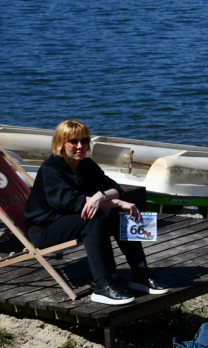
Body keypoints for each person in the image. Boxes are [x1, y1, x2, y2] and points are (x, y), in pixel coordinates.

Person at [22, 119, 167, 305]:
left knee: (118, 214)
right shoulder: (51, 168)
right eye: (73, 141)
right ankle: (102, 286)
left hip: (70, 219)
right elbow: (73, 202)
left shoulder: (86, 165)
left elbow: (115, 187)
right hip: (45, 228)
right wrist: (116, 201)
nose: (80, 146)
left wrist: (101, 196)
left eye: (84, 140)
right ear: (60, 142)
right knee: (93, 216)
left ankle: (140, 272)